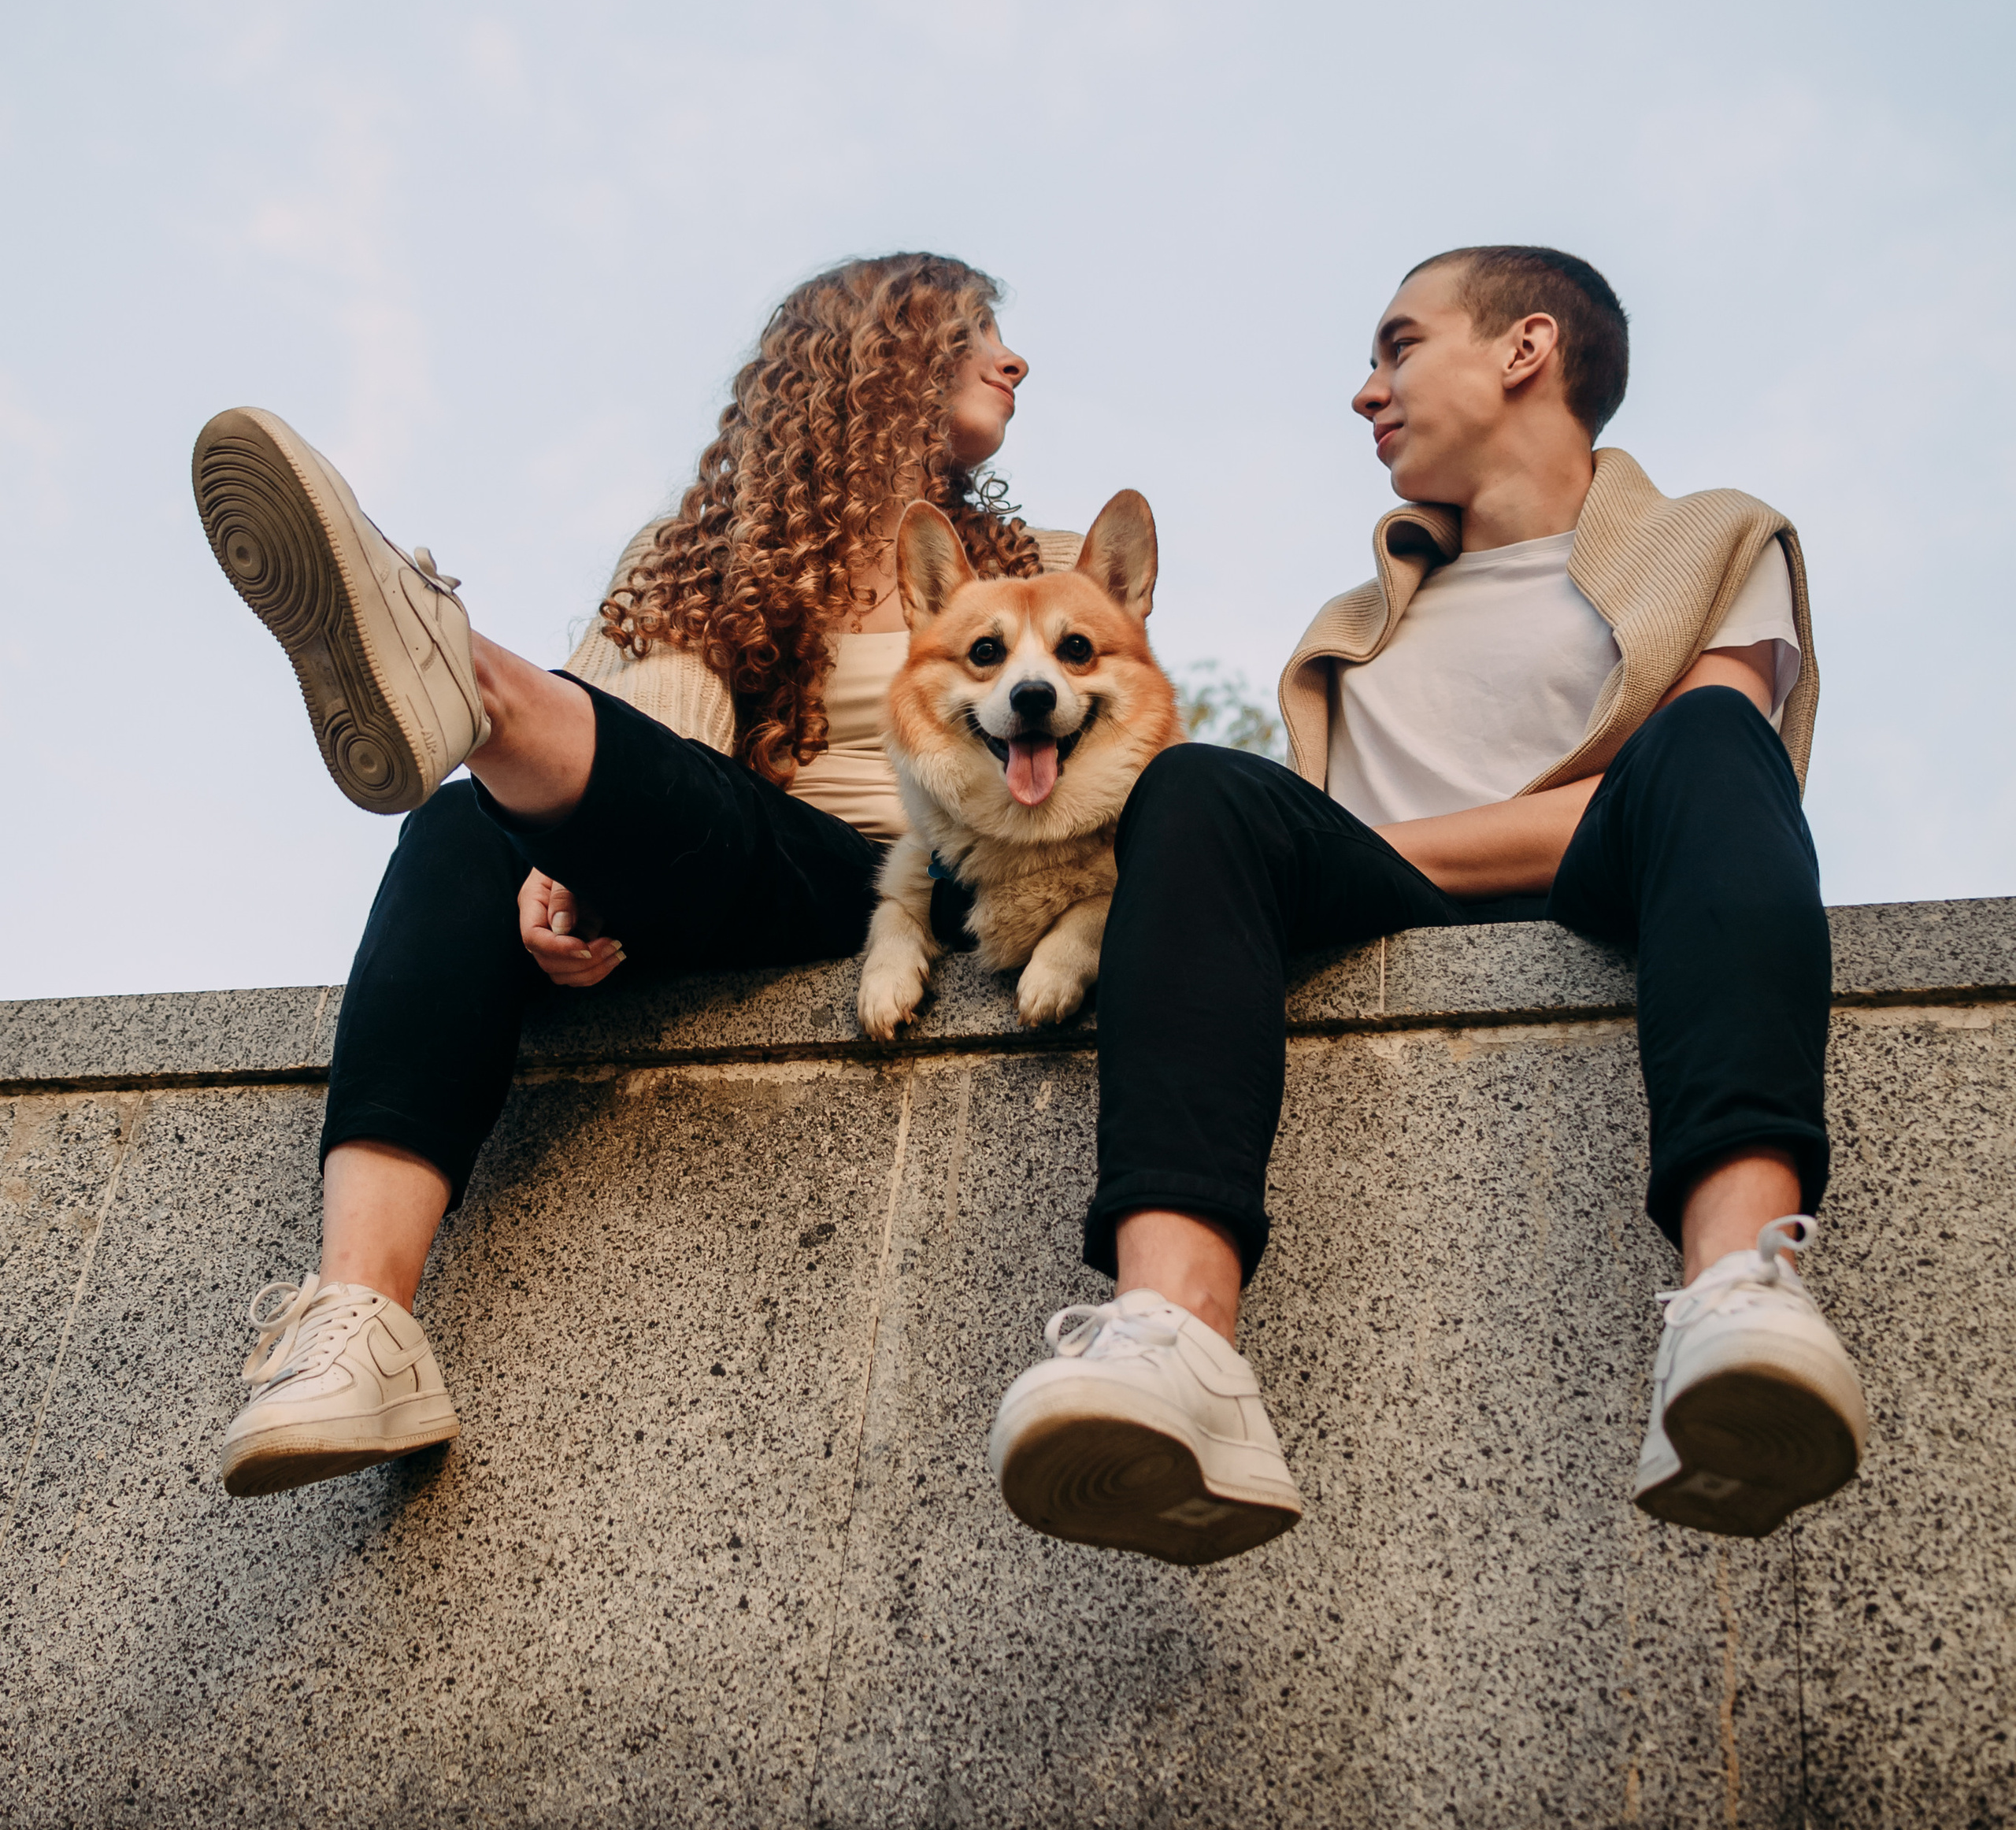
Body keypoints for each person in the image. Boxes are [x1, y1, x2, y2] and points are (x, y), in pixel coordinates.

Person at [986, 244, 1868, 1566]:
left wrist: (1383, 842)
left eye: (1398, 347)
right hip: (1373, 901)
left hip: (1610, 873)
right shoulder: (1348, 629)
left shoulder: (1717, 540)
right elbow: (1250, 866)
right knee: (1198, 789)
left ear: (1524, 349)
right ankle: (1174, 1340)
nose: (1365, 390)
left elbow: (1700, 790)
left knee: (1706, 744)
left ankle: (1741, 1287)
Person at [194, 253, 1069, 1498]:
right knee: (454, 825)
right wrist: (566, 873)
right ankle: (359, 1326)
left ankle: (459, 662)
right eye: (979, 326)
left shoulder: (1046, 563)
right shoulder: (698, 550)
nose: (1013, 355)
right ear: (881, 354)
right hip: (719, 870)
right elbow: (653, 736)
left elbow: (1097, 771)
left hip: (907, 882)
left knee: (509, 755)